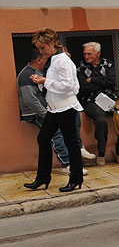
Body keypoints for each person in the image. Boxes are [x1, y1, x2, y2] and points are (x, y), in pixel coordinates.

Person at [24, 28, 85, 193]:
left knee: (71, 144)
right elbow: (54, 84)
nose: (41, 52)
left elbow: (70, 86)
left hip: (66, 108)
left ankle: (76, 178)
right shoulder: (54, 59)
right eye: (39, 49)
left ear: (52, 43)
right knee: (43, 139)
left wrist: (44, 80)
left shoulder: (63, 61)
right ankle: (43, 177)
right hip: (54, 109)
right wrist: (41, 82)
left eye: (43, 48)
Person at [18, 48, 88, 176]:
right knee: (56, 134)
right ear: (39, 59)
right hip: (36, 113)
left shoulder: (50, 68)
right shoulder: (26, 75)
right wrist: (47, 115)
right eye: (45, 57)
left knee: (70, 132)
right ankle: (66, 164)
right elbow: (30, 100)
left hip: (58, 107)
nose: (48, 60)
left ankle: (78, 154)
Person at [77, 42, 119, 165]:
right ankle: (101, 153)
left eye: (89, 54)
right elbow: (83, 87)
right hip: (91, 101)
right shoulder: (80, 68)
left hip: (110, 98)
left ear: (98, 53)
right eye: (84, 54)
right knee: (100, 120)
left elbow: (111, 82)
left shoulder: (108, 64)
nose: (86, 56)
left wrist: (93, 80)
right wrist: (102, 82)